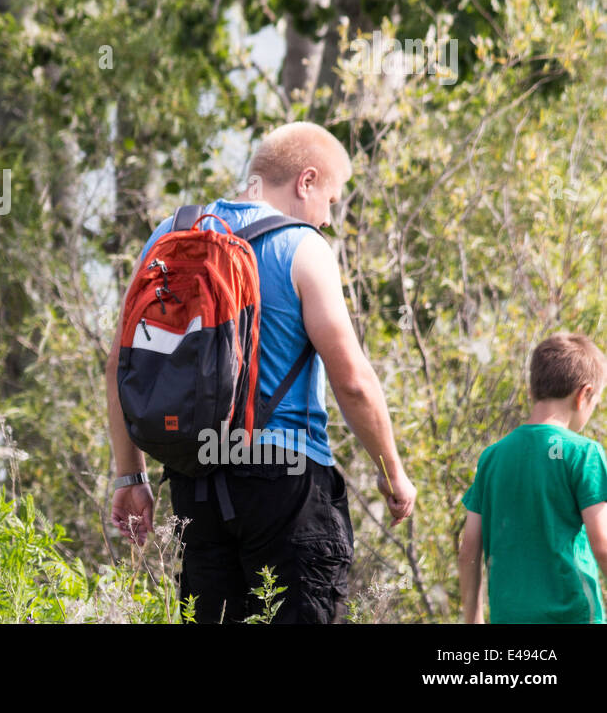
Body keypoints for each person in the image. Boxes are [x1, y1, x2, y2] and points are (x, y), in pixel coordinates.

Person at [106, 120, 417, 623]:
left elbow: (122, 363)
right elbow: (353, 381)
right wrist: (392, 473)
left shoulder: (171, 234)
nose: (330, 219)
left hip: (197, 481)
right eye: (332, 201)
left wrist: (130, 474)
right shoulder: (303, 247)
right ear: (306, 180)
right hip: (286, 482)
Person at [459, 332, 607, 623]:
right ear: (583, 394)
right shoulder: (583, 453)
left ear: (532, 391)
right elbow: (602, 545)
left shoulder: (492, 457)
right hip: (573, 617)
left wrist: (472, 618)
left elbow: (469, 550)